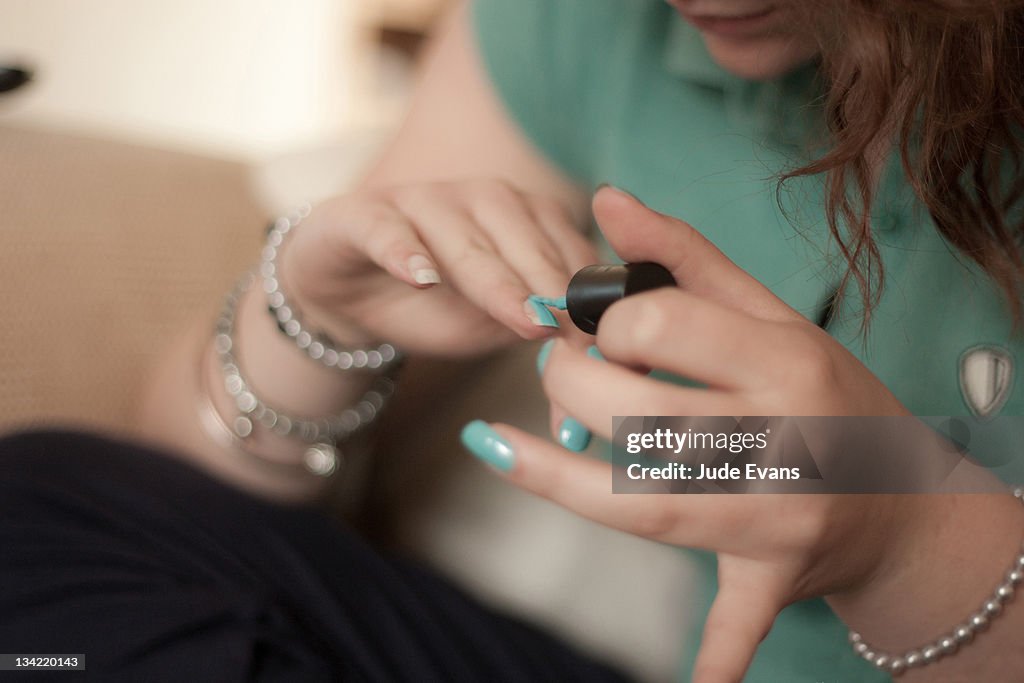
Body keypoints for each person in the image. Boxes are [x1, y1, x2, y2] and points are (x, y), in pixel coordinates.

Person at [3, 0, 1024, 681]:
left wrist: (900, 533)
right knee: (39, 503)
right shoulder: (572, 22)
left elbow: (813, 476)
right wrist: (318, 323)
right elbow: (183, 487)